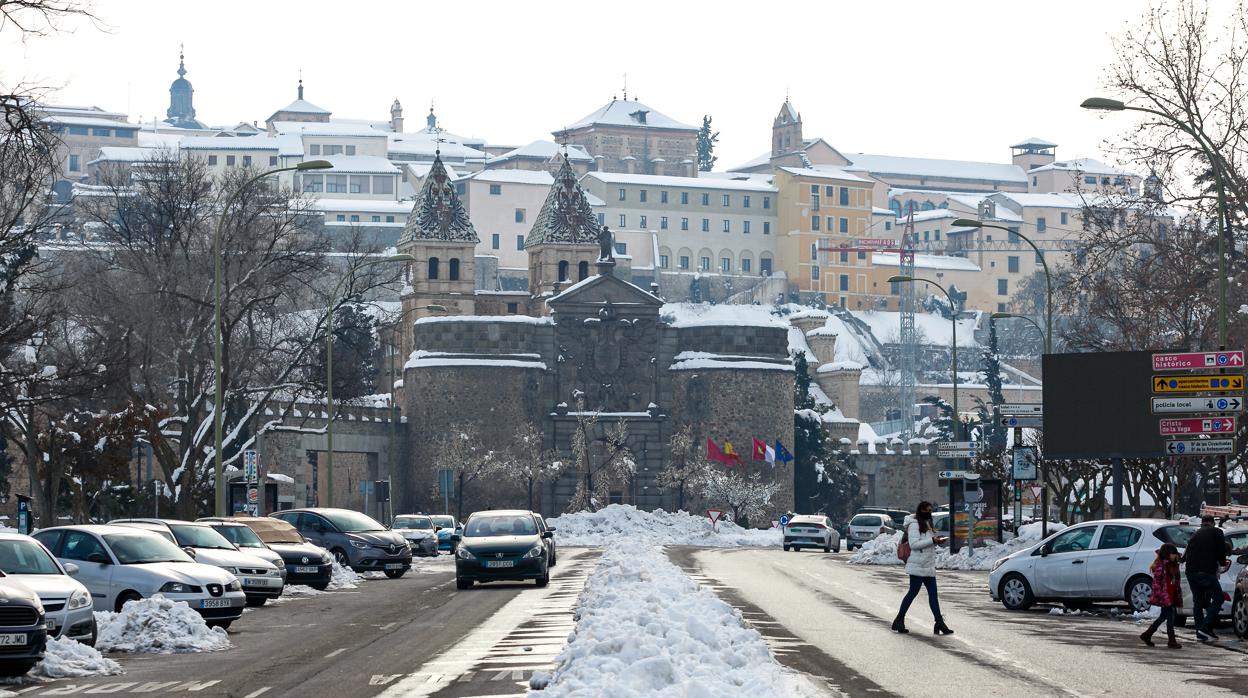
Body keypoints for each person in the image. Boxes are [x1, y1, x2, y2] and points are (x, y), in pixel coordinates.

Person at [891, 501, 953, 635]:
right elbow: (914, 544)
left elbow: (928, 542)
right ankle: (899, 619)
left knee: (933, 595)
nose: (929, 512)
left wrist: (937, 540)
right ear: (920, 511)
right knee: (912, 593)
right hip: (917, 565)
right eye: (927, 510)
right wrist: (932, 541)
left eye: (931, 510)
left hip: (928, 565)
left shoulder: (927, 524)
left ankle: (939, 622)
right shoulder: (914, 525)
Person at [1183, 514, 1228, 642]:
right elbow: (1221, 551)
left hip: (1191, 572)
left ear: (1202, 523)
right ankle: (1205, 627)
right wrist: (1222, 563)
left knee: (1198, 602)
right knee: (1218, 598)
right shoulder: (1217, 532)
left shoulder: (1195, 534)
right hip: (1206, 572)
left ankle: (1201, 632)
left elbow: (1185, 555)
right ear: (1213, 523)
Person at [1140, 543, 1183, 649]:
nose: (1175, 556)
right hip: (1165, 596)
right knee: (1170, 617)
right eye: (1173, 554)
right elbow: (1157, 584)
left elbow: (1175, 582)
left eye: (1175, 554)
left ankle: (1147, 634)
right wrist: (1162, 596)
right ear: (1167, 554)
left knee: (1163, 617)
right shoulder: (1161, 567)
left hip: (1171, 595)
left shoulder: (1172, 565)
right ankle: (1171, 640)